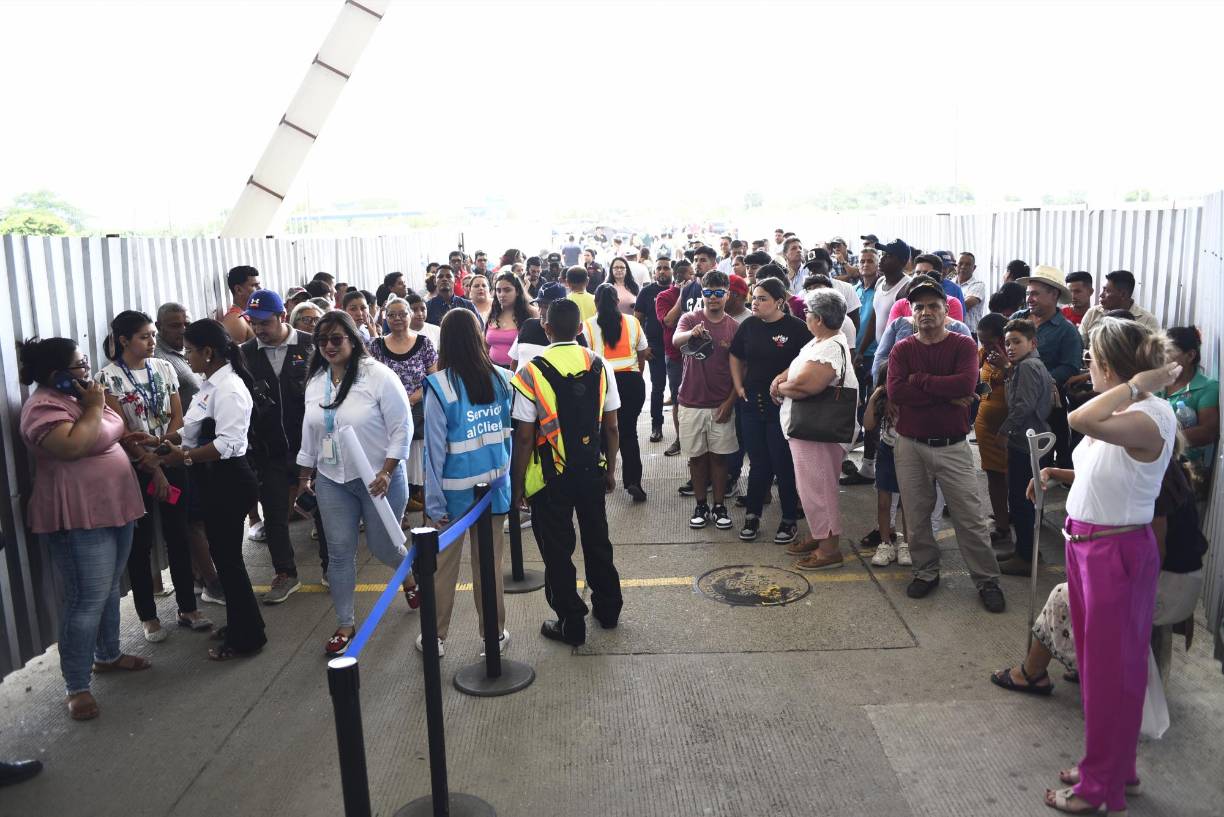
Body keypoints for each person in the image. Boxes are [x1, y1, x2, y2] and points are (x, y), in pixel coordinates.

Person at [1040, 317, 1179, 816]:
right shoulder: (1128, 407)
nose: (1086, 367)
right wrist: (1064, 474)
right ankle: (1112, 764)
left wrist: (1138, 384)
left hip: (1114, 552)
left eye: (1092, 359)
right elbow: (1114, 471)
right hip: (1090, 548)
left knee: (1110, 674)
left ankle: (1102, 786)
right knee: (1103, 670)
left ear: (1116, 367)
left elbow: (1079, 420)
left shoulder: (1148, 412)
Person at [992, 453, 1206, 699]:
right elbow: (1097, 478)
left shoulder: (1156, 479)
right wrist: (1051, 471)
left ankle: (1032, 673)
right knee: (1085, 586)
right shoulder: (1151, 461)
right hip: (1174, 580)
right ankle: (1088, 665)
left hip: (1167, 585)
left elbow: (1154, 556)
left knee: (1064, 596)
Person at [18, 337, 149, 720]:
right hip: (78, 514)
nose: (86, 370)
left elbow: (107, 428)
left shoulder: (79, 397)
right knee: (85, 599)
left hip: (114, 506)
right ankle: (77, 685)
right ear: (54, 374)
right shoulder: (42, 407)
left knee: (109, 589)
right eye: (79, 364)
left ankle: (107, 654)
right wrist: (95, 406)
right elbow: (73, 446)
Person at [297, 311, 415, 656]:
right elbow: (311, 433)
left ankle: (409, 577)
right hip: (333, 480)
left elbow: (401, 428)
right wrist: (304, 476)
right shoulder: (317, 381)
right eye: (322, 341)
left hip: (379, 480)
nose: (329, 346)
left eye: (337, 339)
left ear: (352, 338)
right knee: (339, 553)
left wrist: (388, 471)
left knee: (383, 547)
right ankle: (345, 623)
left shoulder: (378, 376)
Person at [886, 279, 1006, 612]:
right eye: (919, 307)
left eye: (933, 306)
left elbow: (966, 383)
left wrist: (920, 380)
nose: (926, 312)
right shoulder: (903, 349)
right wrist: (945, 393)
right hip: (910, 445)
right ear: (912, 313)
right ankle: (926, 572)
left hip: (953, 446)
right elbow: (897, 392)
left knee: (970, 517)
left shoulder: (963, 345)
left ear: (946, 310)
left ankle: (986, 580)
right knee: (917, 515)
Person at [510, 299, 623, 647]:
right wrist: (610, 468)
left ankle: (570, 622)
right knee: (597, 540)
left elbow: (526, 436)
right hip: (591, 469)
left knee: (557, 550)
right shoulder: (599, 364)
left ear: (546, 329)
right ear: (579, 329)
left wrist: (517, 488)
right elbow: (613, 426)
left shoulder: (528, 373)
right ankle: (608, 610)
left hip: (549, 477)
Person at [155, 319, 266, 660]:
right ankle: (243, 624)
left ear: (208, 351)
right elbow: (191, 427)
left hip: (229, 481)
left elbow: (230, 444)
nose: (186, 356)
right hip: (213, 480)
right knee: (225, 559)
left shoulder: (229, 388)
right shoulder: (210, 385)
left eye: (189, 350)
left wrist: (183, 458)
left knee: (229, 562)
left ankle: (247, 638)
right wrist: (161, 441)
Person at [100, 310, 208, 641]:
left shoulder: (163, 368)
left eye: (152, 335)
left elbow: (178, 415)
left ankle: (187, 608)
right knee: (141, 543)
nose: (152, 342)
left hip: (170, 458)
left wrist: (161, 451)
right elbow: (121, 430)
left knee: (179, 534)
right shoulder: (107, 378)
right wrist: (150, 463)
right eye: (145, 336)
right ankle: (148, 615)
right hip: (136, 469)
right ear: (123, 341)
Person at [419, 309, 514, 656]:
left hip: (452, 496)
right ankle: (493, 635)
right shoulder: (503, 379)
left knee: (442, 570)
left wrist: (433, 507)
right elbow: (508, 437)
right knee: (489, 569)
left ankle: (436, 637)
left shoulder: (440, 387)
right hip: (494, 491)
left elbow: (433, 453)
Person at [774, 288, 858, 570]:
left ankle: (829, 550)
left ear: (819, 319)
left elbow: (806, 386)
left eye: (807, 313)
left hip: (818, 432)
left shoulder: (830, 346)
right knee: (810, 488)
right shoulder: (820, 341)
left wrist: (779, 387)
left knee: (819, 489)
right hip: (808, 431)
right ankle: (820, 534)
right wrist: (782, 379)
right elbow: (796, 371)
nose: (804, 316)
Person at [240, 289, 315, 604]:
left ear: (283, 316)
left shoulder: (312, 345)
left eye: (265, 322)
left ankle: (332, 565)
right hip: (269, 450)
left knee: (325, 509)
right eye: (253, 322)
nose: (259, 329)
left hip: (312, 446)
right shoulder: (244, 354)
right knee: (274, 513)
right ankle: (285, 573)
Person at [729, 277, 809, 543]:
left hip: (783, 405)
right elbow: (735, 354)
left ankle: (788, 519)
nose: (756, 302)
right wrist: (739, 385)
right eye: (754, 297)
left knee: (782, 463)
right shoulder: (749, 326)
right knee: (758, 462)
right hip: (752, 402)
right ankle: (753, 515)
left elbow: (807, 360)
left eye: (762, 298)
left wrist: (786, 380)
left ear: (779, 302)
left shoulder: (797, 328)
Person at [672, 269, 740, 530]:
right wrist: (692, 334)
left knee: (720, 458)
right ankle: (701, 505)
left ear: (727, 295)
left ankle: (719, 505)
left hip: (721, 404)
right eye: (708, 293)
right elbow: (677, 340)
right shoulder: (690, 319)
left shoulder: (734, 327)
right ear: (702, 294)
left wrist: (730, 402)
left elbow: (740, 370)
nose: (713, 298)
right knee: (697, 458)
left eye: (718, 293)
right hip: (690, 402)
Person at [1010, 265, 1084, 471]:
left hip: (1046, 406)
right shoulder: (1017, 319)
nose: (1029, 299)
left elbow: (1070, 367)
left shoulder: (1067, 331)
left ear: (1054, 295)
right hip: (1013, 398)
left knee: (1038, 459)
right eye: (1028, 294)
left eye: (1035, 294)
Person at [995, 319, 1055, 575]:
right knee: (1024, 499)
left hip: (1028, 443)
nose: (1010, 347)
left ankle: (1027, 557)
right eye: (1007, 342)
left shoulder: (1028, 367)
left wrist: (1004, 430)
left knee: (1023, 500)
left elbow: (1024, 405)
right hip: (1032, 440)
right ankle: (1025, 549)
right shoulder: (1029, 364)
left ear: (1033, 343)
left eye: (1016, 342)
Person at [370, 295, 438, 518]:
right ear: (385, 317)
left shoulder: (423, 342)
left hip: (418, 411)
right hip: (385, 414)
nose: (397, 318)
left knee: (420, 469)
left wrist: (411, 399)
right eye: (392, 315)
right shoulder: (377, 345)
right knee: (392, 463)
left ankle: (426, 514)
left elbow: (434, 377)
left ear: (410, 315)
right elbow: (371, 378)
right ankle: (397, 516)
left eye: (402, 314)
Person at [584, 283, 649, 502]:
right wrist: (637, 375)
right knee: (629, 432)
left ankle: (603, 477)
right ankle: (633, 482)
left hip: (603, 383)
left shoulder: (588, 326)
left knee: (603, 432)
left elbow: (586, 359)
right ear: (616, 302)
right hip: (631, 382)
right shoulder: (633, 322)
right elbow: (642, 354)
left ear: (596, 303)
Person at [972, 314, 1013, 547]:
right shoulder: (984, 354)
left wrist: (1006, 367)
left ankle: (1010, 517)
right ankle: (1001, 523)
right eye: (982, 342)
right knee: (993, 475)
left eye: (989, 342)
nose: (985, 346)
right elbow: (977, 380)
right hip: (985, 424)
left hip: (1007, 427)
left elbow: (1020, 387)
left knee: (1012, 477)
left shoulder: (1015, 357)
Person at [861, 365, 909, 566]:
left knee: (908, 502)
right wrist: (876, 396)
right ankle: (885, 544)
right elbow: (868, 425)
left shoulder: (910, 398)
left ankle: (907, 544)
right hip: (887, 451)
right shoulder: (882, 401)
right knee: (883, 501)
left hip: (910, 451)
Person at [1159, 327, 1218, 480]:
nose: (1161, 357)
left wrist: (1158, 441)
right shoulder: (1156, 382)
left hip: (1184, 468)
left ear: (1190, 355)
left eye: (1168, 351)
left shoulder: (1207, 387)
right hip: (1154, 459)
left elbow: (1207, 432)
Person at [635, 256, 671, 443]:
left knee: (679, 389)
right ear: (654, 271)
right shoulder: (646, 292)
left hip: (676, 348)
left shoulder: (678, 291)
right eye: (659, 268)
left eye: (666, 268)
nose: (663, 271)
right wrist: (644, 346)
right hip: (655, 348)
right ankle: (656, 426)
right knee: (658, 388)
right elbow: (636, 321)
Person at [1078, 269, 1160, 341]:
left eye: (1106, 291)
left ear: (1123, 294)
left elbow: (1151, 355)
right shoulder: (1093, 313)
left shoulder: (1148, 321)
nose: (1101, 295)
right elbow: (1079, 345)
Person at [486, 272, 533, 370]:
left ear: (518, 291)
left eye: (507, 290)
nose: (501, 294)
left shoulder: (531, 313)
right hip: (492, 370)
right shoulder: (492, 312)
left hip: (520, 372)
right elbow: (484, 344)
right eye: (498, 290)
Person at [221, 265, 258, 343]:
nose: (259, 289)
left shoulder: (248, 315)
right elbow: (233, 354)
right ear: (238, 290)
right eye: (254, 285)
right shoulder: (235, 320)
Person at [955, 252, 986, 333]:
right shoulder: (949, 283)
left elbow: (965, 305)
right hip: (951, 331)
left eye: (968, 264)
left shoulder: (978, 285)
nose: (963, 267)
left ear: (974, 267)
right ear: (956, 265)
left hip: (969, 332)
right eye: (960, 263)